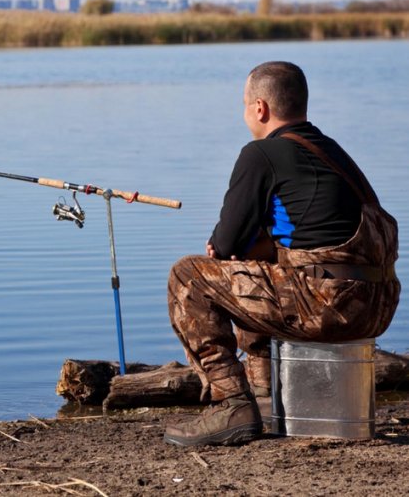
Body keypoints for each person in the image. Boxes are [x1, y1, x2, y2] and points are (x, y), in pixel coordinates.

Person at [163, 61, 400, 447]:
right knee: (254, 264)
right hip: (377, 305)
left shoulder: (261, 154)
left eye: (244, 105)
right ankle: (265, 392)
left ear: (260, 108)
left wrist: (229, 248)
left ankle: (232, 404)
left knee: (188, 275)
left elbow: (225, 243)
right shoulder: (331, 151)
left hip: (329, 306)